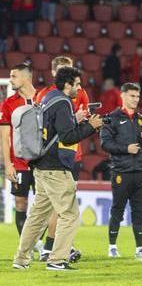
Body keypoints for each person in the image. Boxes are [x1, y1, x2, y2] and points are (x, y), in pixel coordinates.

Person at [13, 67, 104, 270]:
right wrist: (91, 127)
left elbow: (57, 129)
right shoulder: (63, 103)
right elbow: (67, 137)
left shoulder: (48, 98)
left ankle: (21, 259)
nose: (79, 88)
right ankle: (57, 260)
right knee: (70, 214)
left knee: (37, 216)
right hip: (56, 168)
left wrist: (79, 121)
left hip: (41, 165)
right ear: (67, 84)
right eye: (77, 84)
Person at [32, 55, 91, 261]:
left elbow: (84, 116)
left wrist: (82, 120)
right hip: (53, 155)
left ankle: (45, 249)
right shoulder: (46, 94)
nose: (71, 74)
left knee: (55, 206)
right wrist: (76, 121)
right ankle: (52, 249)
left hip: (72, 154)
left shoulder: (81, 93)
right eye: (65, 70)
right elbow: (44, 126)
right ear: (55, 72)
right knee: (58, 207)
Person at [99, 83, 142, 259]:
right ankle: (112, 247)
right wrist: (126, 148)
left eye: (137, 97)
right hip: (121, 172)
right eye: (132, 96)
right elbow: (105, 144)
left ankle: (140, 248)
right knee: (117, 209)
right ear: (123, 96)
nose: (135, 100)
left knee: (139, 211)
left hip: (140, 172)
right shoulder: (111, 118)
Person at [0, 64, 37, 242]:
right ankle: (28, 246)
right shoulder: (8, 103)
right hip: (20, 162)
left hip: (43, 162)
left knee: (44, 206)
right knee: (21, 203)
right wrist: (8, 164)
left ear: (26, 78)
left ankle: (43, 245)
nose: (10, 79)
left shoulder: (43, 98)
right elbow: (5, 137)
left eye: (14, 76)